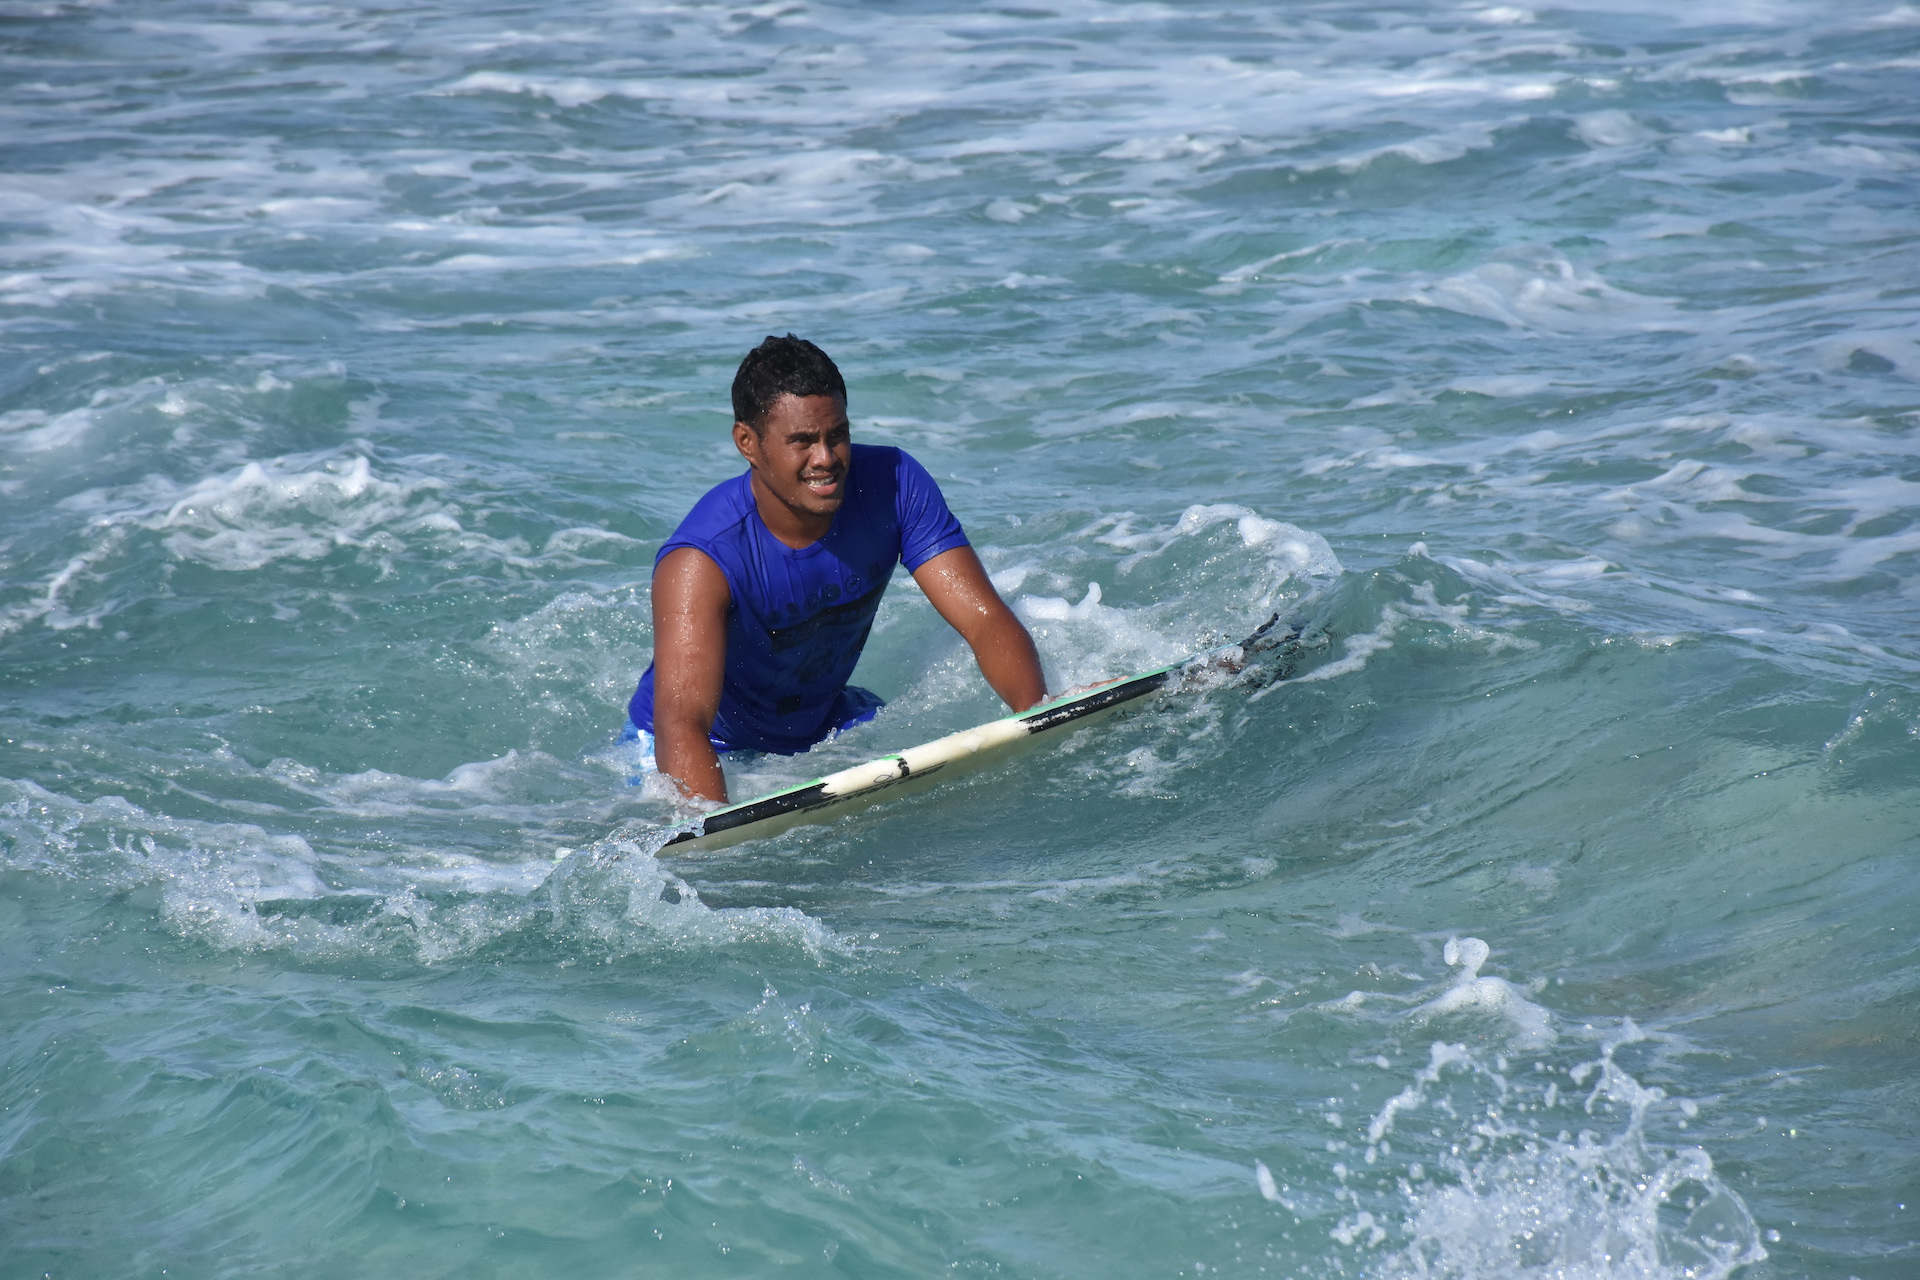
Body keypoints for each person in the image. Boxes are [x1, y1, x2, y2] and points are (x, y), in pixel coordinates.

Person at [626, 334, 1047, 804]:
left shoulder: (893, 484)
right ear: (748, 442)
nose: (825, 460)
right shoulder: (702, 560)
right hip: (704, 748)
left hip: (827, 723)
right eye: (802, 442)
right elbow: (681, 722)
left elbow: (984, 620)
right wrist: (716, 835)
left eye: (837, 436)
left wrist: (1041, 717)